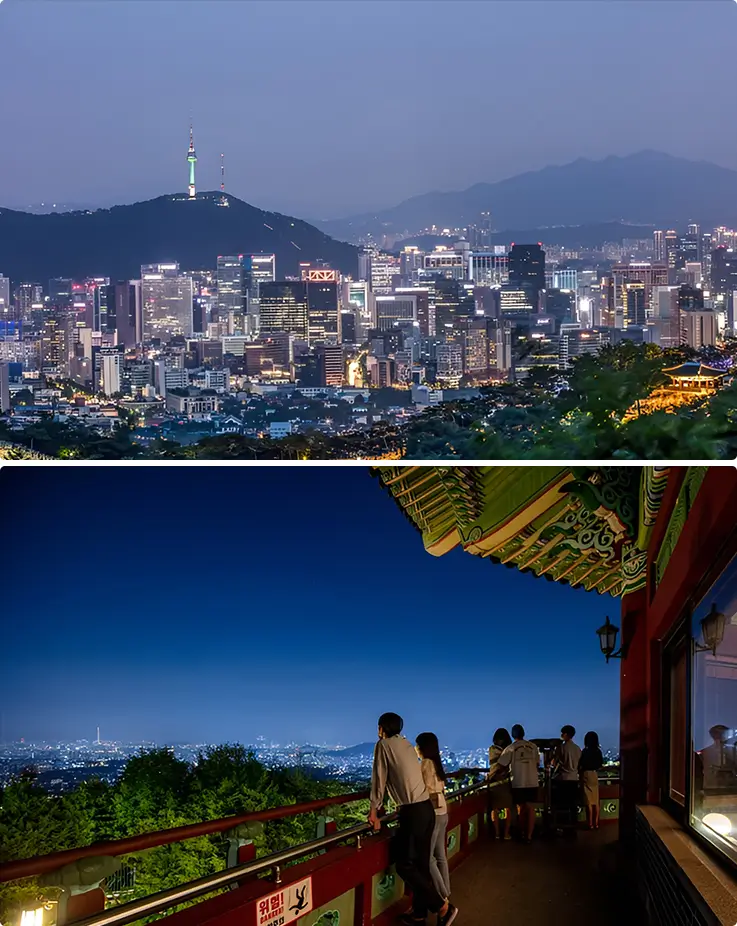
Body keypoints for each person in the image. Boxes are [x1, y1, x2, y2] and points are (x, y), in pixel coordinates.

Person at [368, 713, 458, 926]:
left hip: (412, 811)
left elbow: (379, 779)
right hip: (426, 810)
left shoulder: (383, 745)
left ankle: (443, 907)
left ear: (381, 728)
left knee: (404, 865)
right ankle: (419, 914)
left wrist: (374, 810)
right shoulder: (406, 744)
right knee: (421, 865)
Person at [415, 732, 451, 904]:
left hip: (433, 813)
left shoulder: (426, 764)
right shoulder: (437, 763)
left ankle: (442, 897)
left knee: (428, 858)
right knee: (440, 856)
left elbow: (423, 789)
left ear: (422, 747)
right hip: (443, 810)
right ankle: (446, 892)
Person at [494, 724, 540, 843]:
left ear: (513, 735)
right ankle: (529, 835)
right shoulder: (533, 746)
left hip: (518, 781)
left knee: (520, 808)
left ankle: (521, 832)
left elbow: (501, 764)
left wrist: (492, 776)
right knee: (530, 808)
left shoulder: (510, 748)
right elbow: (537, 763)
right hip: (533, 781)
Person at [551, 725, 582, 831]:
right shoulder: (577, 749)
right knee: (573, 804)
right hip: (574, 779)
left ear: (566, 734)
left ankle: (560, 825)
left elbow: (555, 763)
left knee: (560, 804)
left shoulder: (561, 747)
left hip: (563, 779)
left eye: (562, 733)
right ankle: (573, 825)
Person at [487, 728, 514, 840]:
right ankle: (506, 833)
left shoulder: (492, 749)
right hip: (506, 781)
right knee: (508, 808)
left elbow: (494, 764)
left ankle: (497, 833)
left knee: (495, 808)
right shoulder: (509, 750)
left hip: (494, 781)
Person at [579, 731, 603, 829]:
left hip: (586, 774)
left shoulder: (585, 751)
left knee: (588, 801)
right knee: (595, 801)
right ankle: (596, 823)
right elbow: (600, 764)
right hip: (594, 774)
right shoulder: (598, 751)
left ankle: (590, 824)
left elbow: (581, 764)